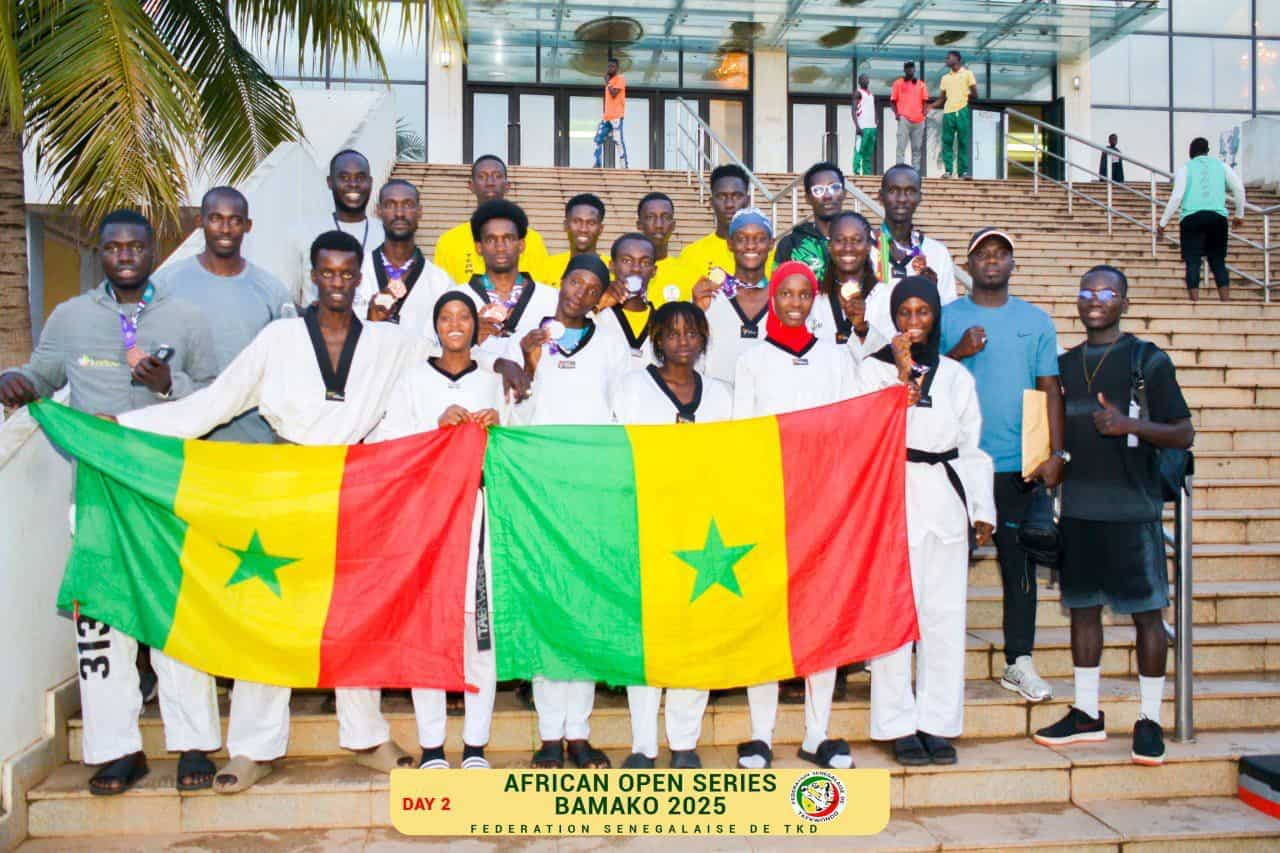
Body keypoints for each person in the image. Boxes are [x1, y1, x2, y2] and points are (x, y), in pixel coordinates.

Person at [112, 231, 432, 791]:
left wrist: (506, 371)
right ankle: (253, 747)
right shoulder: (279, 338)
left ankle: (366, 736)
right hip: (284, 483)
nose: (336, 282)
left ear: (360, 280)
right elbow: (213, 406)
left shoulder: (389, 342)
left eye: (347, 273)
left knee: (354, 613)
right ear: (313, 276)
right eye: (327, 273)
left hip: (352, 486)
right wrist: (122, 427)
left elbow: (448, 358)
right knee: (271, 610)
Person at [0, 210, 219, 795]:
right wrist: (15, 381)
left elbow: (216, 395)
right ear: (100, 254)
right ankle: (118, 750)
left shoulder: (187, 316)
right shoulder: (70, 316)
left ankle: (193, 743)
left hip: (163, 492)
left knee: (177, 619)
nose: (125, 255)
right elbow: (41, 376)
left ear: (151, 252)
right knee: (102, 625)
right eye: (114, 247)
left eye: (136, 246)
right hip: (96, 494)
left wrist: (167, 386)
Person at [1034, 265, 1193, 766]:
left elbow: (1183, 433)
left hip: (1133, 509)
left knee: (1148, 616)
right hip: (1080, 510)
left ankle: (1149, 719)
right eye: (1087, 290)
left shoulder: (1148, 359)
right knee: (1083, 610)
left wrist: (1129, 424)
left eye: (1107, 291)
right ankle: (1087, 712)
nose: (1095, 299)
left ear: (1124, 302)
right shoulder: (1064, 364)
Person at [860, 276, 994, 766]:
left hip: (946, 500)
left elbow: (971, 447)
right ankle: (897, 723)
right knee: (894, 617)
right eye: (904, 313)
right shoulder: (872, 371)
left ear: (935, 317)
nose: (913, 321)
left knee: (944, 616)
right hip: (894, 496)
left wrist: (982, 509)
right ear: (892, 318)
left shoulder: (955, 375)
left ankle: (937, 721)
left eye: (922, 312)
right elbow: (866, 431)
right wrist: (900, 375)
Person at [730, 261, 857, 770]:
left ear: (815, 299)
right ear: (773, 297)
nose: (795, 303)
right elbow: (741, 435)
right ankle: (760, 734)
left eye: (805, 294)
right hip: (769, 499)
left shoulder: (835, 358)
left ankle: (816, 733)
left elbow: (850, 427)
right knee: (766, 616)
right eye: (786, 293)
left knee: (820, 617)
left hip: (821, 503)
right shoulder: (752, 360)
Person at [505, 254, 630, 768]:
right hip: (540, 489)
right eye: (575, 281)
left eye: (593, 287)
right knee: (546, 605)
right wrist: (529, 364)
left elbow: (623, 408)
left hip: (591, 488)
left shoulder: (610, 341)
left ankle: (578, 732)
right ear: (560, 282)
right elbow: (513, 418)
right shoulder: (529, 338)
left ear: (601, 296)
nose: (581, 292)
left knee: (584, 605)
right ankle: (548, 735)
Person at [370, 292, 502, 770]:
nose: (455, 324)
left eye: (464, 316)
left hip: (479, 515)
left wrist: (499, 425)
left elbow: (517, 444)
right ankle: (431, 745)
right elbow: (388, 442)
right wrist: (434, 426)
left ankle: (475, 745)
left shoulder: (492, 380)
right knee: (426, 627)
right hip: (427, 516)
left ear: (475, 326)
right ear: (435, 325)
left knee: (479, 633)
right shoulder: (412, 380)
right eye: (446, 317)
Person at [941, 228, 1066, 704]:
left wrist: (1057, 454)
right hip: (957, 462)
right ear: (968, 264)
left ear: (1013, 264)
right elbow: (924, 378)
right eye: (982, 254)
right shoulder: (947, 317)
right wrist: (958, 352)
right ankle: (936, 659)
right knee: (944, 567)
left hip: (1018, 465)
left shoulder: (1035, 321)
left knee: (1020, 567)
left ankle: (1019, 660)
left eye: (1000, 254)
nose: (991, 261)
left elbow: (1050, 388)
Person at [612, 301, 730, 769]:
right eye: (673, 333)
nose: (683, 341)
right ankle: (643, 744)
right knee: (648, 634)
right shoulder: (631, 388)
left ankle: (684, 740)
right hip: (646, 521)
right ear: (657, 339)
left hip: (704, 531)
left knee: (694, 634)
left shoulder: (721, 395)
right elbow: (616, 452)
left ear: (704, 339)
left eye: (692, 332)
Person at [458, 200, 560, 362]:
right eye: (491, 239)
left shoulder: (551, 298)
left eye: (509, 238)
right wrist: (467, 339)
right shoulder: (458, 299)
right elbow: (437, 354)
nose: (500, 247)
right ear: (479, 247)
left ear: (521, 245)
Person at [867, 165, 957, 347]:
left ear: (919, 197)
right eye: (893, 191)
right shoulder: (862, 249)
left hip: (919, 357)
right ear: (880, 196)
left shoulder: (937, 253)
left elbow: (947, 311)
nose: (901, 199)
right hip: (869, 356)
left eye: (910, 191)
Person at [290, 149, 384, 311]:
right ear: (330, 182)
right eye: (344, 177)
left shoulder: (386, 234)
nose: (353, 184)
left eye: (360, 177)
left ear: (370, 182)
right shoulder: (303, 233)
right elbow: (288, 300)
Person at [433, 155, 548, 284]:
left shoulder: (532, 240)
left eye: (497, 176)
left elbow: (540, 289)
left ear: (507, 186)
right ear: (471, 186)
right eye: (482, 176)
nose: (490, 183)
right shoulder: (448, 242)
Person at [1158, 137, 1246, 302]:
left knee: (1193, 261)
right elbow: (1239, 189)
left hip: (1191, 218)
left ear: (1191, 152)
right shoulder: (1221, 166)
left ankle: (1195, 303)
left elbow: (1177, 197)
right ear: (1207, 151)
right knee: (1218, 261)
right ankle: (1226, 302)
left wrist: (1163, 223)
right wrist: (1239, 215)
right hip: (1217, 218)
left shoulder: (1186, 168)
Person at [695, 208, 774, 387]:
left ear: (771, 244)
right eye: (741, 238)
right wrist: (695, 311)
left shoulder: (782, 300)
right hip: (719, 402)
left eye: (760, 238)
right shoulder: (709, 296)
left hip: (768, 402)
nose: (751, 245)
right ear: (730, 243)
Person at [365, 180, 454, 326]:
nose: (399, 213)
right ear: (378, 211)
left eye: (408, 205)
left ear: (420, 211)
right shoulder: (358, 271)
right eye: (390, 205)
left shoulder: (441, 282)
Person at [807, 210, 879, 351]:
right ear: (829, 246)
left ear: (868, 246)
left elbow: (892, 354)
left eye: (857, 240)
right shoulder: (814, 298)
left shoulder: (884, 296)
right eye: (840, 240)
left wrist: (862, 329)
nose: (848, 248)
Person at [773, 161, 847, 282]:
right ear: (807, 198)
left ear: (844, 193)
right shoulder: (791, 244)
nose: (827, 196)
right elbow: (777, 287)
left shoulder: (860, 241)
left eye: (834, 187)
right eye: (818, 190)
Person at [680, 164, 755, 280]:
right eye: (721, 197)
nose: (729, 204)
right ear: (711, 202)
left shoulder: (765, 254)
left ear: (747, 201)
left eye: (736, 196)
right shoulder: (690, 256)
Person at [594, 232, 659, 364]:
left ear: (654, 271)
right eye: (627, 261)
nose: (636, 269)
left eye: (645, 262)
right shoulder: (596, 316)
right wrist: (597, 307)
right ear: (612, 266)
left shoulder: (663, 322)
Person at [636, 192, 698, 305]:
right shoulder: (625, 272)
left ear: (673, 225)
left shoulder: (689, 274)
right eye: (650, 217)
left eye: (665, 217)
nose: (658, 225)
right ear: (639, 224)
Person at [536, 193, 609, 286]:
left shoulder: (613, 270)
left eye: (591, 223)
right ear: (566, 225)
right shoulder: (546, 267)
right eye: (576, 221)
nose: (583, 229)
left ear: (601, 229)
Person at [933, 51, 978, 179]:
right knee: (947, 142)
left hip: (962, 111)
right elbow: (941, 98)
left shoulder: (968, 74)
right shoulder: (945, 78)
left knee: (963, 141)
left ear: (957, 59)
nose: (946, 60)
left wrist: (964, 96)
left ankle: (963, 172)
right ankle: (948, 171)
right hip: (948, 112)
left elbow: (975, 94)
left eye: (949, 58)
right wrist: (931, 106)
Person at [890, 62, 929, 170]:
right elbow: (892, 101)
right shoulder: (898, 83)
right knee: (901, 145)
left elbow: (925, 101)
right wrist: (896, 114)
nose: (910, 70)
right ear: (904, 70)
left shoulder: (921, 84)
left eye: (912, 68)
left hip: (919, 120)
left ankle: (915, 171)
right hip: (904, 119)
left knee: (917, 148)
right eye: (908, 68)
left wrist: (924, 113)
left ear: (914, 70)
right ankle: (899, 169)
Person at [594, 58, 628, 169]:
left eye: (612, 66)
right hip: (607, 116)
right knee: (598, 139)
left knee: (618, 140)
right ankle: (597, 163)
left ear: (617, 68)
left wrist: (608, 83)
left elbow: (614, 93)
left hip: (616, 116)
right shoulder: (609, 81)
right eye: (609, 66)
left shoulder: (620, 79)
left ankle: (624, 166)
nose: (610, 68)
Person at [852, 74, 878, 176]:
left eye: (867, 78)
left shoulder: (871, 94)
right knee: (859, 150)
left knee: (868, 152)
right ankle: (857, 172)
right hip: (862, 127)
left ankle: (867, 173)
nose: (865, 80)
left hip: (872, 127)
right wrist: (857, 126)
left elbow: (872, 108)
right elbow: (853, 110)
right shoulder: (858, 93)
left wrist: (876, 120)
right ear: (859, 82)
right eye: (863, 79)